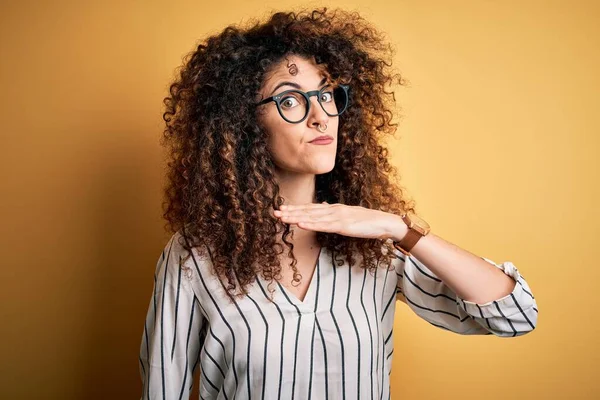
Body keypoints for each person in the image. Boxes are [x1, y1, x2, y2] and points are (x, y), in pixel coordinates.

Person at [138, 7, 538, 399]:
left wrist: (400, 229)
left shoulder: (377, 244)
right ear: (242, 123)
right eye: (290, 100)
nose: (320, 116)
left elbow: (515, 315)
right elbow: (161, 388)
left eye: (327, 94)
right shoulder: (194, 255)